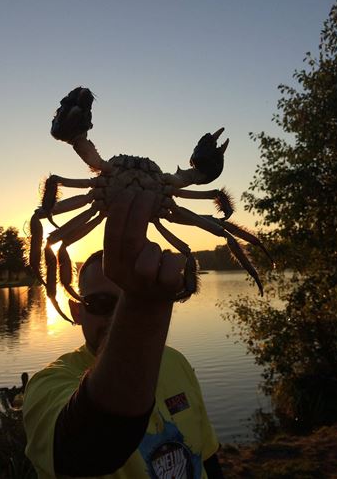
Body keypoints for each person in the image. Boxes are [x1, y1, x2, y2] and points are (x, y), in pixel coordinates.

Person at [23, 190, 224, 478]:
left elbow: (207, 456)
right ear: (77, 311)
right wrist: (140, 303)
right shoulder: (48, 384)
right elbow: (85, 450)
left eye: (125, 302)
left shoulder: (176, 363)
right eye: (101, 304)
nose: (119, 317)